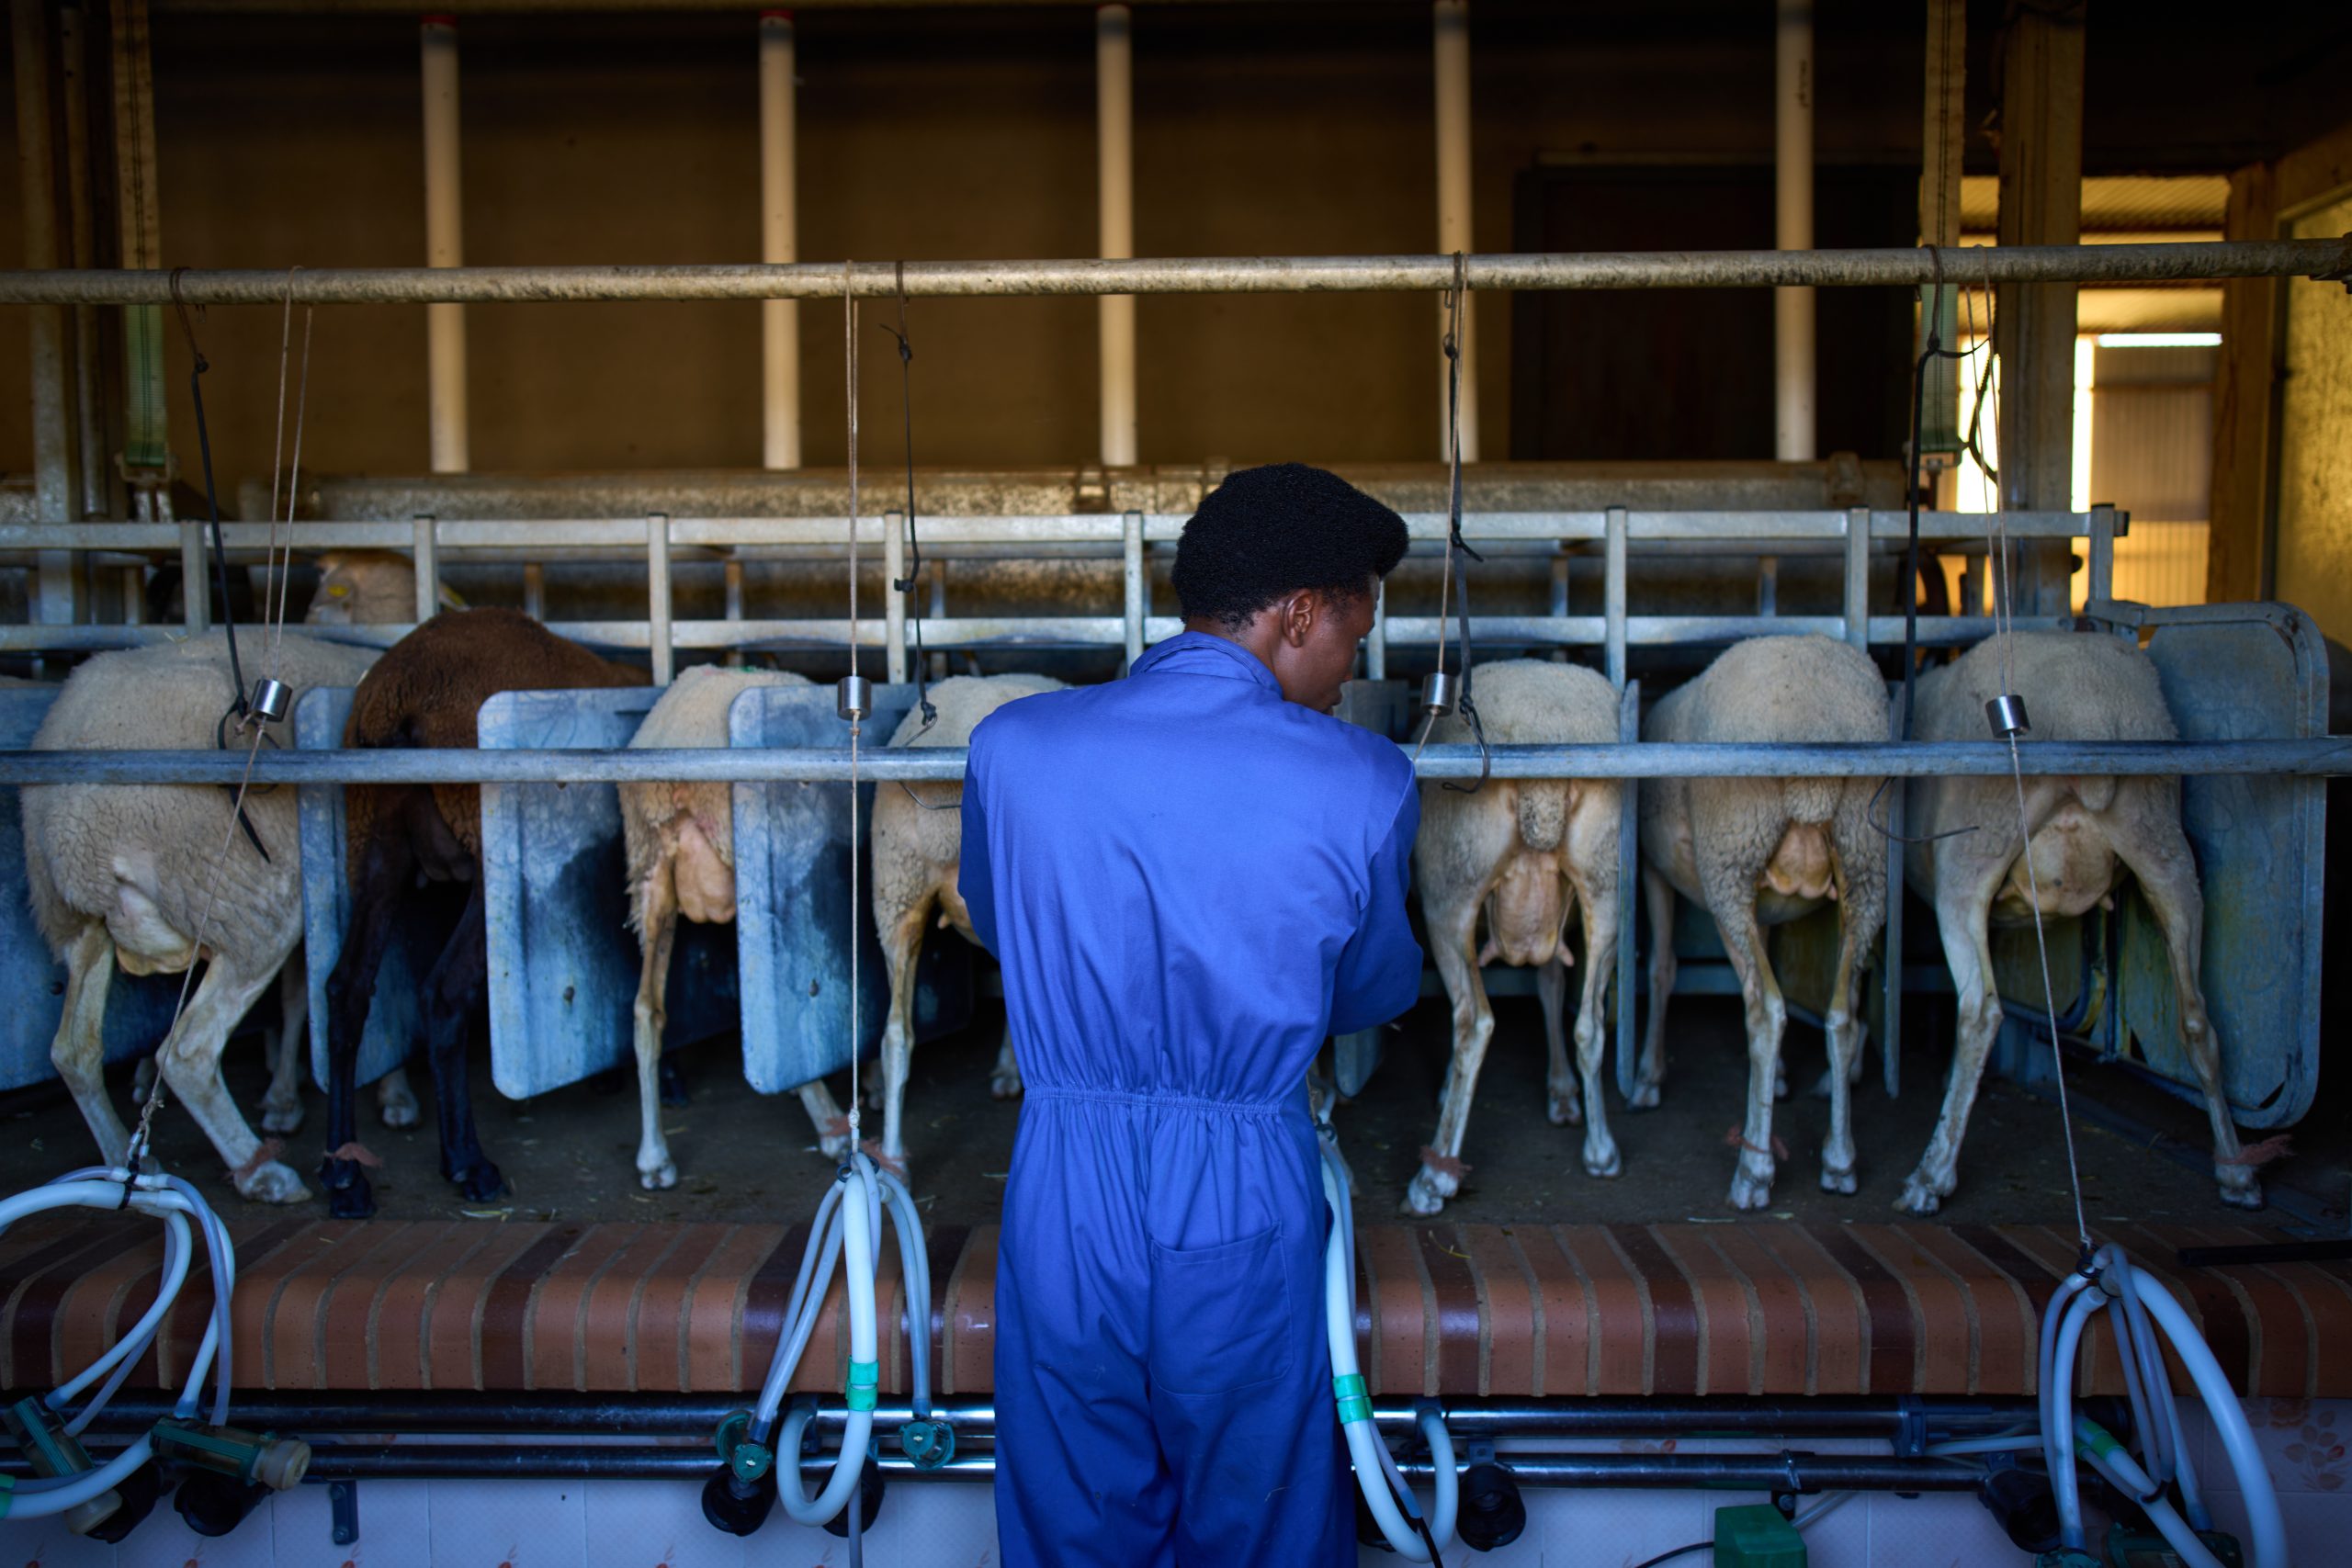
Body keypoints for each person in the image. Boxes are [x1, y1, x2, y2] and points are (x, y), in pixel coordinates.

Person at [957, 462, 1425, 1567]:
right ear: (1299, 614)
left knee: (1074, 1522)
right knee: (1255, 1522)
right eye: (1351, 636)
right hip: (1241, 1184)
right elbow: (1369, 991)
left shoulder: (1012, 748)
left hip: (1059, 1185)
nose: (1352, 669)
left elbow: (994, 924)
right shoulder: (1363, 777)